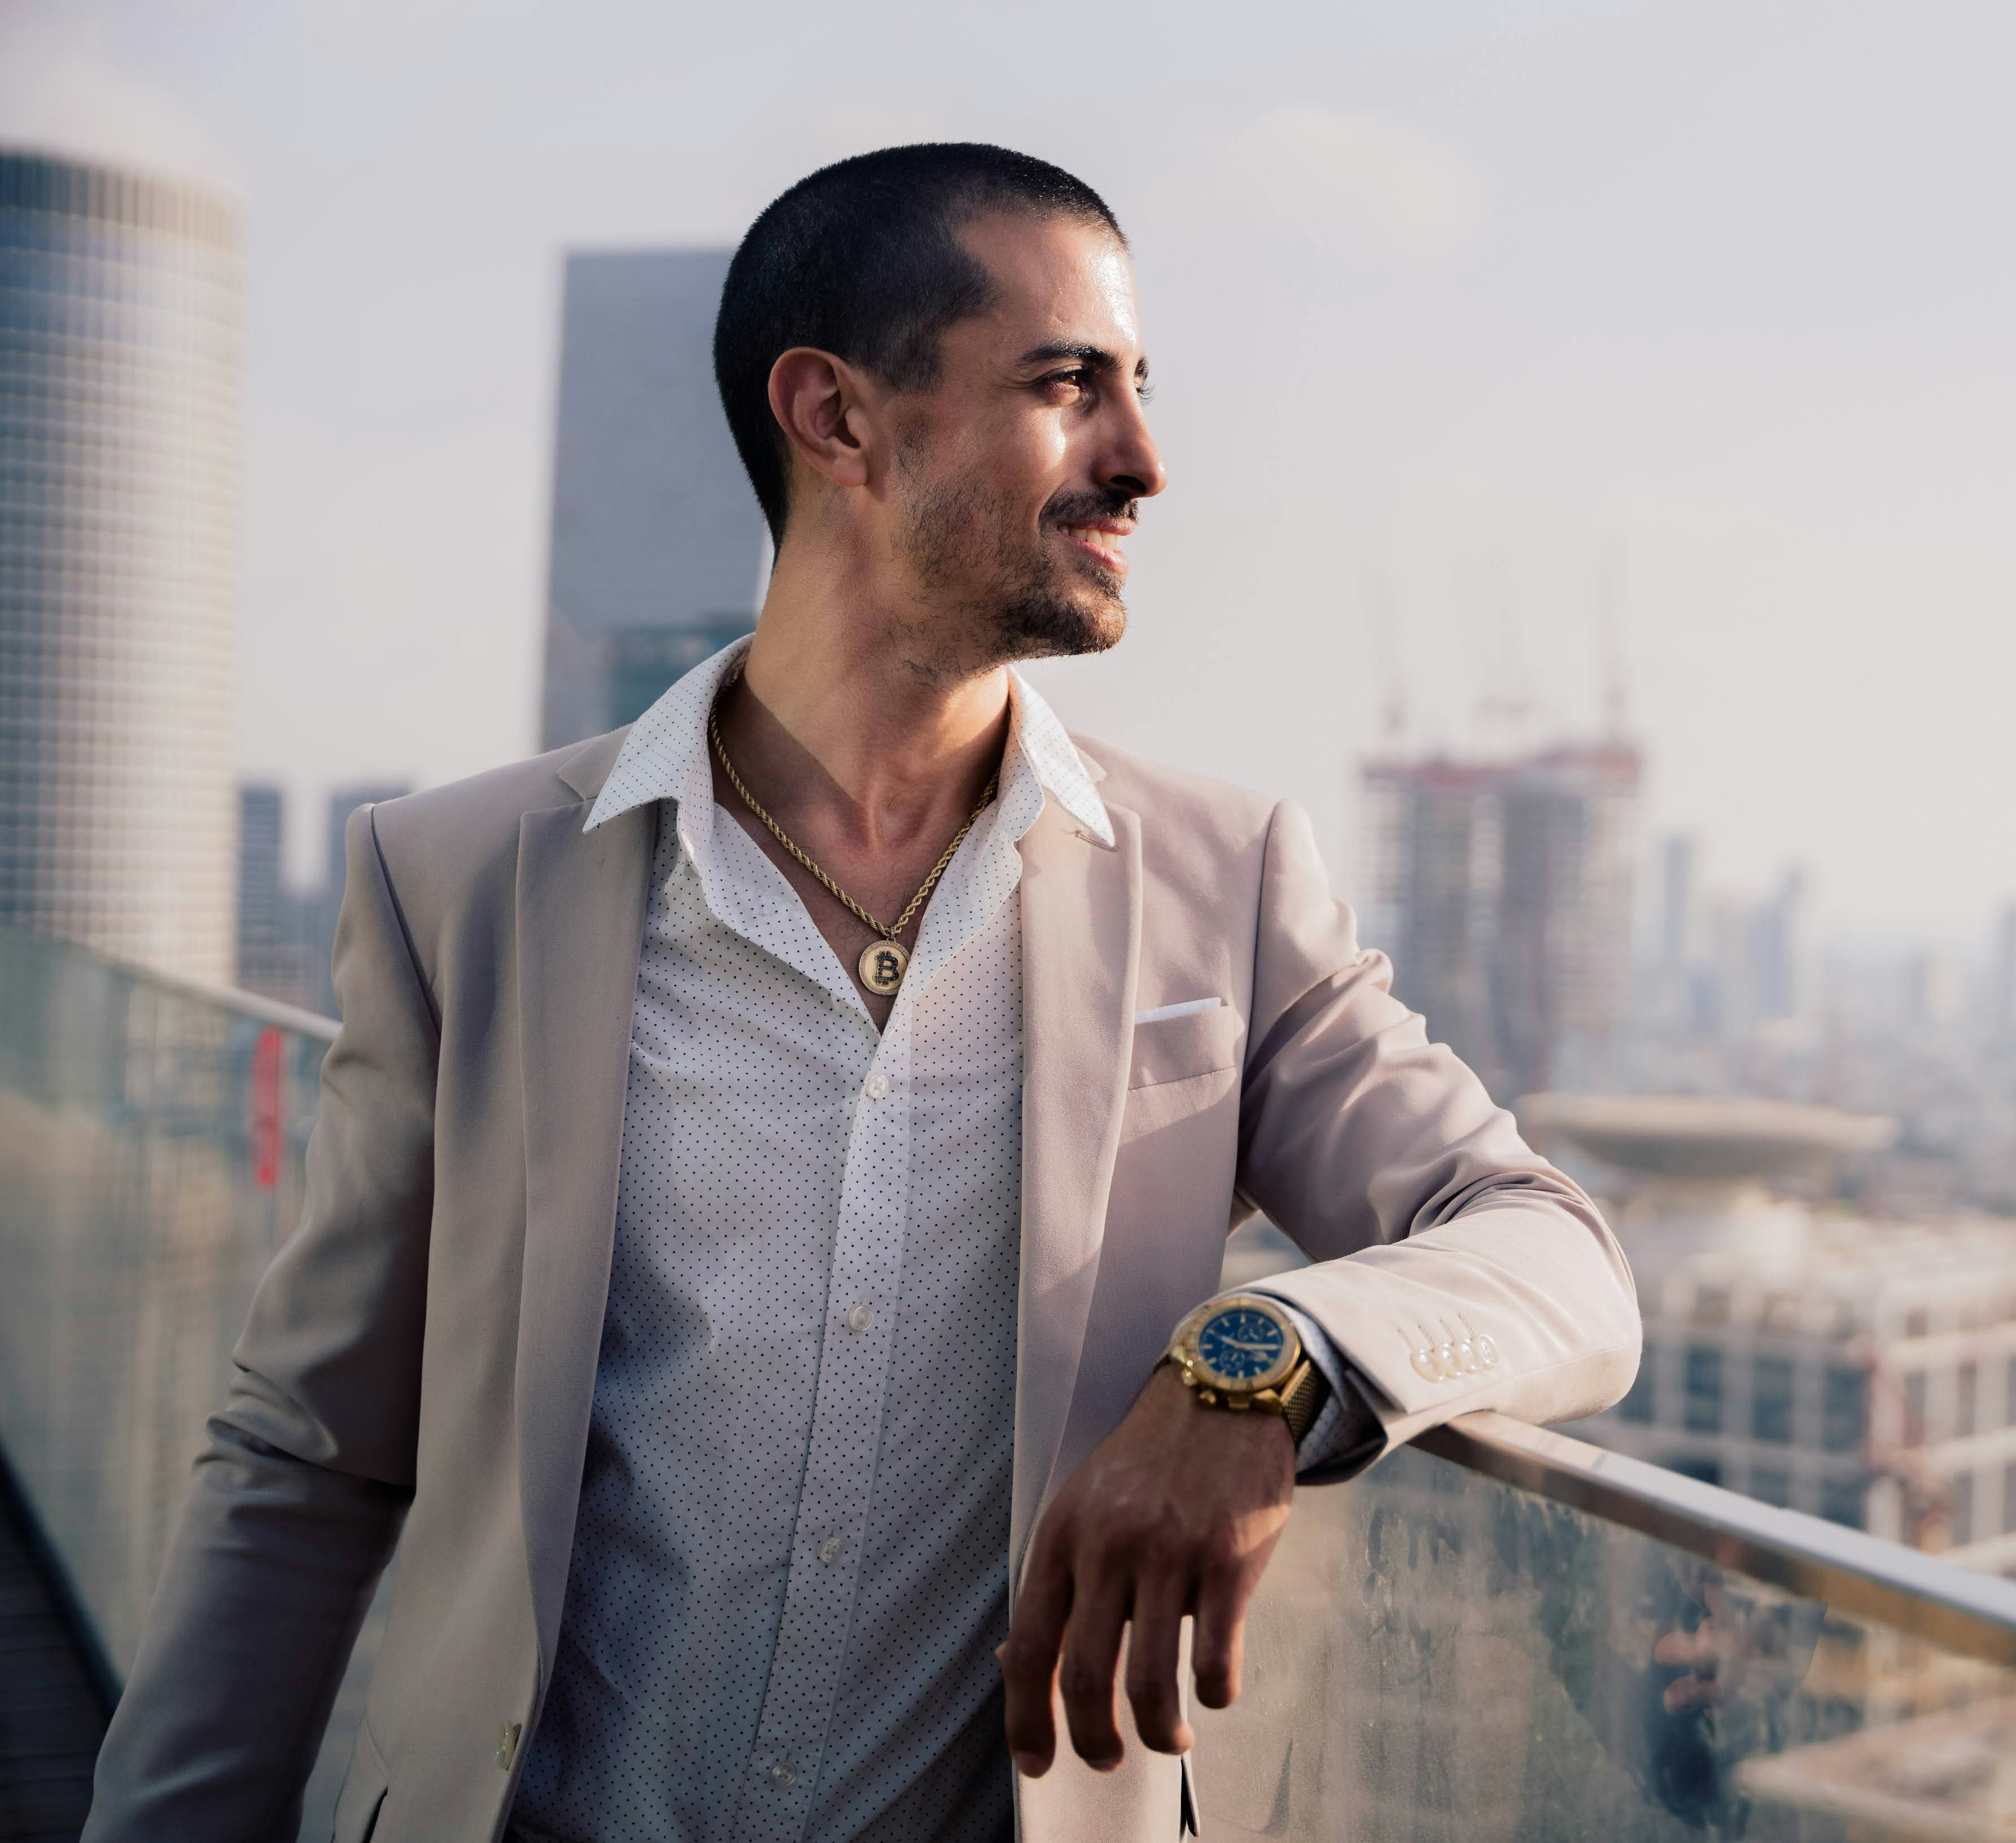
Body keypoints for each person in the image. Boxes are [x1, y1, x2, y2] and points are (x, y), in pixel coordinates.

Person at [82, 143, 1639, 1843]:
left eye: (1139, 387)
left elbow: (1555, 1253)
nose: (1143, 460)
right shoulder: (456, 880)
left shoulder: (1228, 884)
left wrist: (1256, 1368)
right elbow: (308, 1459)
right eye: (1068, 385)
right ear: (834, 418)